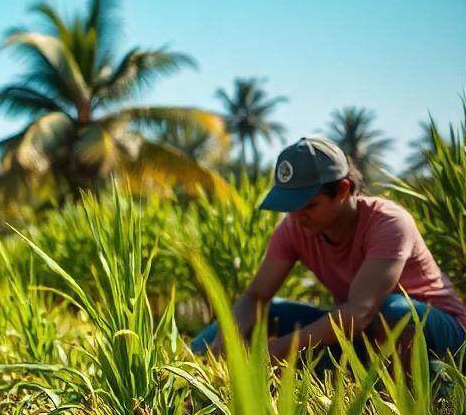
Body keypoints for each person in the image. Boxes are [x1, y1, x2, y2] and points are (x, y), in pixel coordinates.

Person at [191, 137, 466, 360]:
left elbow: (361, 311)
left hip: (441, 334)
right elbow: (256, 296)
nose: (298, 216)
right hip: (363, 336)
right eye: (291, 205)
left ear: (344, 189)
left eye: (309, 204)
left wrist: (274, 351)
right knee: (268, 311)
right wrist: (224, 343)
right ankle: (188, 363)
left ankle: (423, 387)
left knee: (393, 310)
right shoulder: (295, 227)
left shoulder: (388, 223)